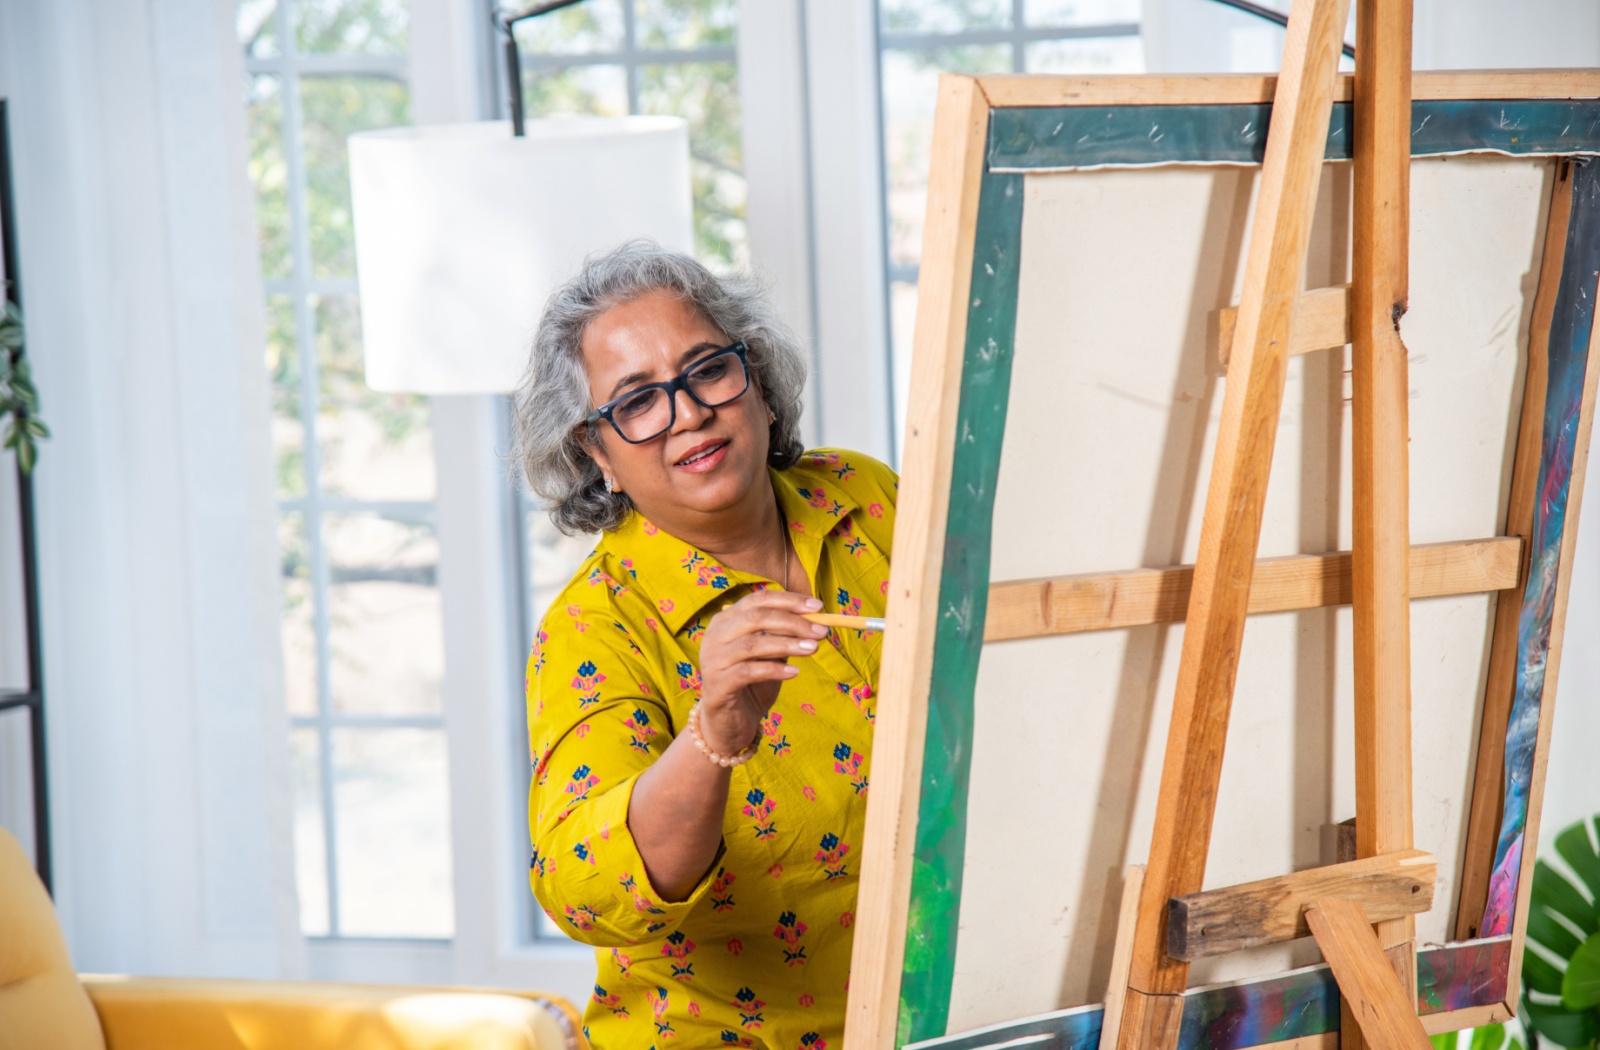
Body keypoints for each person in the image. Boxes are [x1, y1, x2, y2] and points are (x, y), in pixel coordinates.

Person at [513, 241, 896, 1048]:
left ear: (755, 379)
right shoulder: (595, 626)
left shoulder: (866, 494)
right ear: (597, 453)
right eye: (637, 402)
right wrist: (712, 734)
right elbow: (584, 891)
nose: (686, 412)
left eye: (707, 371)